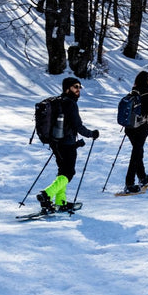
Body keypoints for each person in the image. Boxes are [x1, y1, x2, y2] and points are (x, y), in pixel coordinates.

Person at [36, 77, 99, 213]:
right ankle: (46, 194)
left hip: (55, 142)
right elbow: (78, 126)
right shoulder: (70, 104)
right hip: (67, 143)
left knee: (63, 172)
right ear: (67, 88)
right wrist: (91, 134)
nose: (78, 89)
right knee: (69, 172)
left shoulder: (58, 101)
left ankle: (61, 201)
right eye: (75, 87)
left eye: (79, 87)